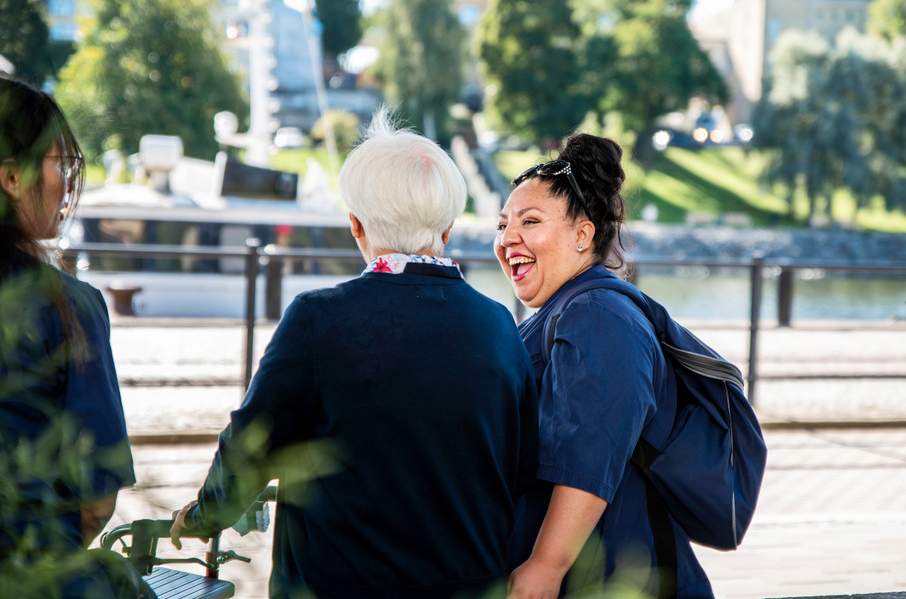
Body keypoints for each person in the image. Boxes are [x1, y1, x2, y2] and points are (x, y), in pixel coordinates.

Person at [170, 108, 539, 599]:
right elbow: (522, 469)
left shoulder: (317, 319)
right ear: (447, 228)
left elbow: (251, 446)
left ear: (356, 227)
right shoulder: (499, 324)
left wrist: (203, 515)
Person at [496, 133, 713, 598]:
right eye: (503, 224)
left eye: (529, 221)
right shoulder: (569, 309)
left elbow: (590, 458)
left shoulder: (596, 315)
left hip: (615, 580)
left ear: (583, 234)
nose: (507, 238)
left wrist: (545, 567)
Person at [0, 77, 138, 597]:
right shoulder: (68, 306)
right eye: (61, 163)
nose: (67, 183)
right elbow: (95, 497)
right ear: (12, 177)